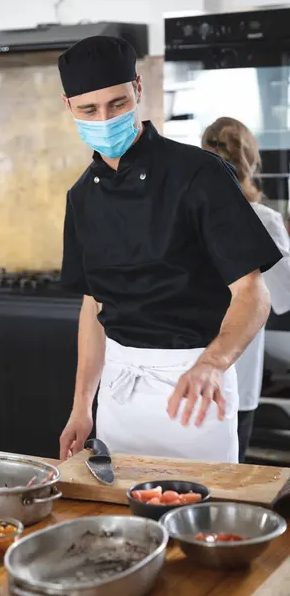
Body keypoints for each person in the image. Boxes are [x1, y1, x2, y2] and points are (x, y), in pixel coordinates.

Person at [57, 35, 282, 463]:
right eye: (89, 109)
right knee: (122, 523)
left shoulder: (200, 175)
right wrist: (82, 406)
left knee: (201, 519)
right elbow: (94, 305)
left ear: (137, 90)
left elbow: (253, 293)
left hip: (195, 392)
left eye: (117, 103)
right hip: (120, 397)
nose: (104, 118)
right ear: (70, 107)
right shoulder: (81, 196)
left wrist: (213, 364)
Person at [202, 116, 290, 462]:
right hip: (237, 371)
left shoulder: (190, 215)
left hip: (187, 373)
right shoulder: (264, 220)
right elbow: (284, 297)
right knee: (229, 477)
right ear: (251, 162)